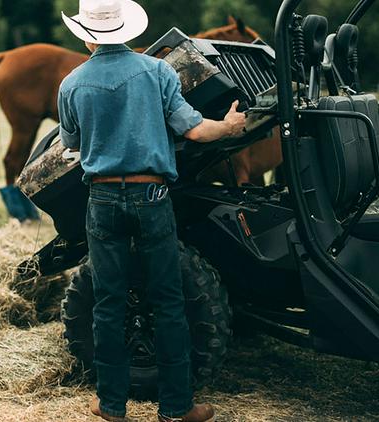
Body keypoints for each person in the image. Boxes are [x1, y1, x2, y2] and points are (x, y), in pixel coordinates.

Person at [58, 1, 246, 421]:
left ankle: (110, 406)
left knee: (108, 303)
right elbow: (196, 129)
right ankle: (177, 408)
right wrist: (230, 127)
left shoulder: (71, 83)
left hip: (102, 199)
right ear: (125, 29)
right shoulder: (157, 72)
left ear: (87, 35)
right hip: (152, 197)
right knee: (167, 299)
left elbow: (70, 143)